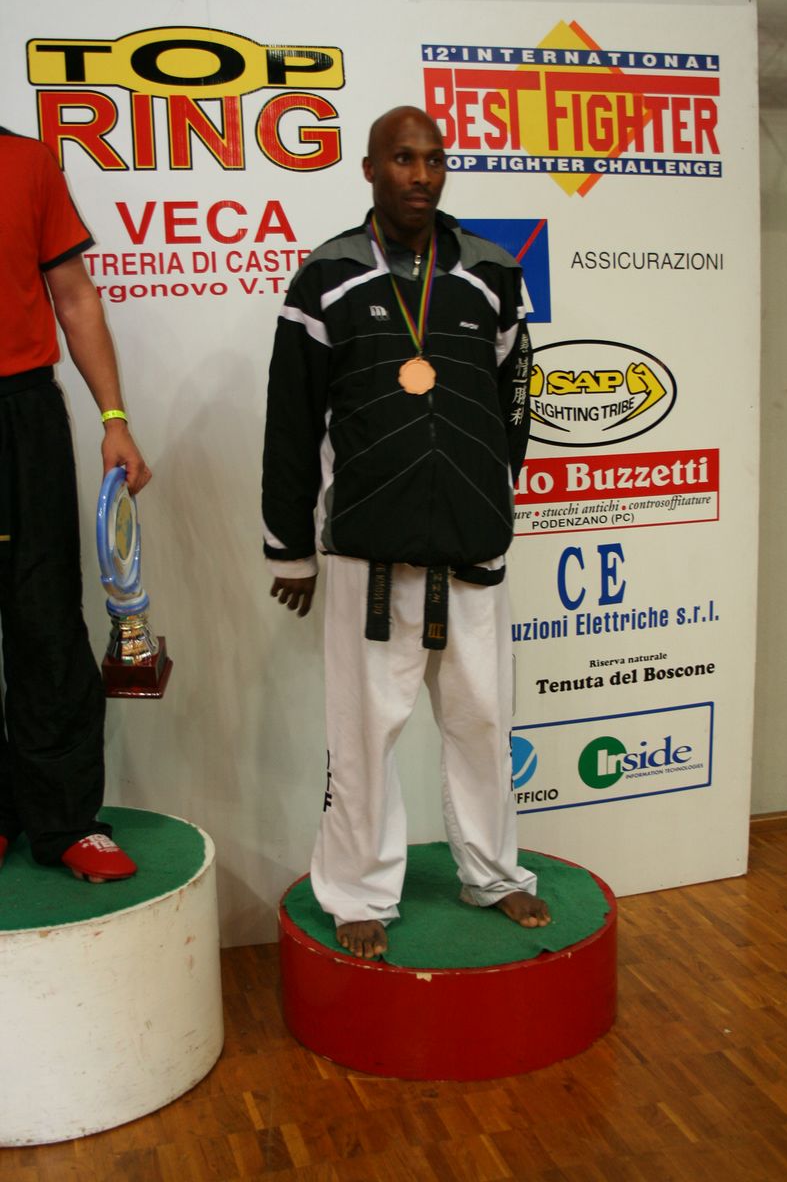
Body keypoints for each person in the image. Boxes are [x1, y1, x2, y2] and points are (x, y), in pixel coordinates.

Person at [263, 105, 550, 957]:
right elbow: (289, 421)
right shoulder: (326, 277)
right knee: (362, 732)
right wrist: (290, 548)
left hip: (470, 540)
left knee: (483, 721)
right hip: (369, 545)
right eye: (401, 158)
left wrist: (490, 489)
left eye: (432, 159)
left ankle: (493, 872)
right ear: (368, 168)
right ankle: (357, 890)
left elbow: (515, 395)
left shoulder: (491, 271)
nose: (420, 175)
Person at [0, 126, 151, 883]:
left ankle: (65, 822)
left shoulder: (26, 161)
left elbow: (74, 294)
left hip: (22, 416)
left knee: (47, 618)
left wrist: (113, 419)